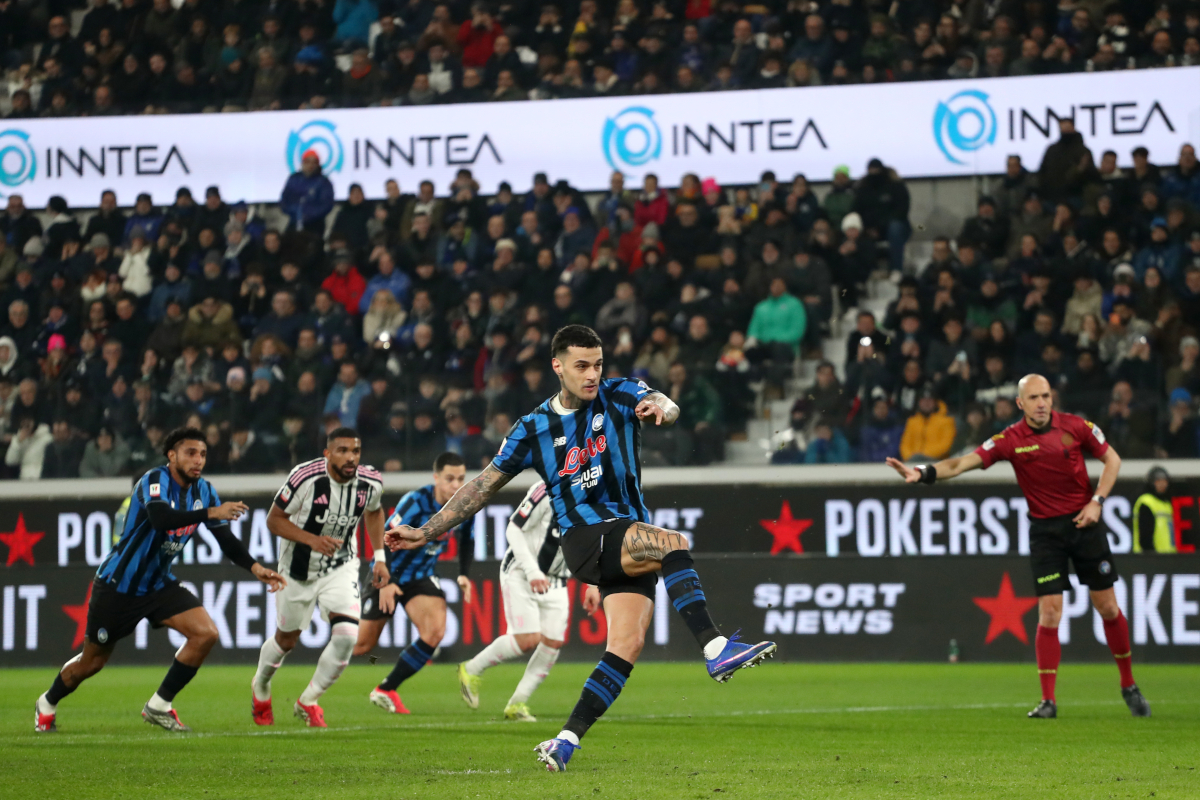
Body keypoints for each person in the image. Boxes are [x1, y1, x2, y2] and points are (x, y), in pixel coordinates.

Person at [385, 324, 775, 773]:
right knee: (673, 543)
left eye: (598, 365)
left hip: (624, 532)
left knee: (625, 645)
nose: (592, 375)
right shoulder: (532, 428)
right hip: (585, 536)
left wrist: (660, 409)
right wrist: (427, 530)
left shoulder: (621, 393)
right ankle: (715, 648)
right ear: (558, 367)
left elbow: (668, 405)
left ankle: (565, 740)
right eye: (582, 366)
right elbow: (482, 486)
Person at [885, 374, 1149, 720]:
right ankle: (1048, 701)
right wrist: (924, 473)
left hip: (1086, 525)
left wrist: (1097, 500)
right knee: (1050, 612)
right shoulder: (1009, 440)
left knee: (1109, 608)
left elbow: (1112, 460)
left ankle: (1128, 684)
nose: (1041, 403)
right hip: (1045, 533)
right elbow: (962, 462)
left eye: (1046, 396)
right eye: (1034, 398)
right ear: (1020, 403)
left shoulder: (1076, 426)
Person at [35, 428, 285, 733]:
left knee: (205, 634)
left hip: (158, 584)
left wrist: (255, 567)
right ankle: (47, 703)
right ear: (172, 455)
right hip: (119, 586)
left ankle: (159, 705)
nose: (198, 461)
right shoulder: (155, 480)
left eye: (203, 454)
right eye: (191, 453)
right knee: (92, 663)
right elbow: (161, 519)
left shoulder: (204, 491)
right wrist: (209, 513)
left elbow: (224, 538)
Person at [250, 428, 387, 728]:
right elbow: (274, 519)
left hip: (340, 566)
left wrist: (380, 558)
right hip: (298, 571)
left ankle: (308, 700)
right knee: (286, 641)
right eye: (342, 450)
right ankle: (260, 685)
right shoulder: (305, 477)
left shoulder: (370, 481)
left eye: (355, 450)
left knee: (348, 636)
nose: (351, 457)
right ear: (327, 454)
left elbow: (374, 513)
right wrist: (311, 540)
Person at [355, 452, 475, 714]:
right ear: (436, 478)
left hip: (421, 576)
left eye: (461, 479)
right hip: (389, 572)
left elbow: (467, 538)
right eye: (450, 479)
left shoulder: (464, 504)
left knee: (435, 631)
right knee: (362, 645)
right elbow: (386, 539)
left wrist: (463, 573)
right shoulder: (415, 502)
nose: (456, 485)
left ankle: (386, 689)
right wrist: (386, 582)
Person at [457, 479, 571, 722]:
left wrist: (593, 585)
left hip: (558, 579)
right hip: (522, 570)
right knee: (528, 639)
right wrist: (532, 571)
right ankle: (471, 669)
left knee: (553, 642)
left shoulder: (597, 495)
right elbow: (513, 529)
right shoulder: (547, 488)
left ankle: (517, 703)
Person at [1133, 466, 1177, 554]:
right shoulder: (1146, 502)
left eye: (1164, 481)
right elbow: (1145, 537)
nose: (1162, 484)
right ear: (1151, 483)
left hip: (1168, 557)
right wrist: (1151, 555)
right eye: (1158, 481)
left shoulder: (1166, 504)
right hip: (1150, 558)